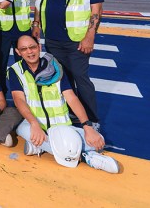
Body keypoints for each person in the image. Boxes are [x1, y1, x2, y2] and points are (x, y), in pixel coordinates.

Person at [9, 34, 120, 173]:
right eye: (24, 49)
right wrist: (34, 123)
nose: (29, 52)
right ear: (18, 52)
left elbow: (71, 98)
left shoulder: (55, 68)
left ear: (39, 47)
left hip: (61, 126)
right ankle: (87, 157)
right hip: (36, 124)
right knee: (22, 129)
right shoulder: (15, 71)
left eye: (32, 47)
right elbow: (18, 100)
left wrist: (87, 126)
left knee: (98, 142)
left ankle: (39, 146)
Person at [34, 0, 104, 128]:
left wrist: (90, 36)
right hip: (53, 39)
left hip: (77, 40)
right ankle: (70, 113)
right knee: (61, 79)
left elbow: (96, 8)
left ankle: (91, 119)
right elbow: (41, 3)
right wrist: (36, 24)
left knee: (81, 79)